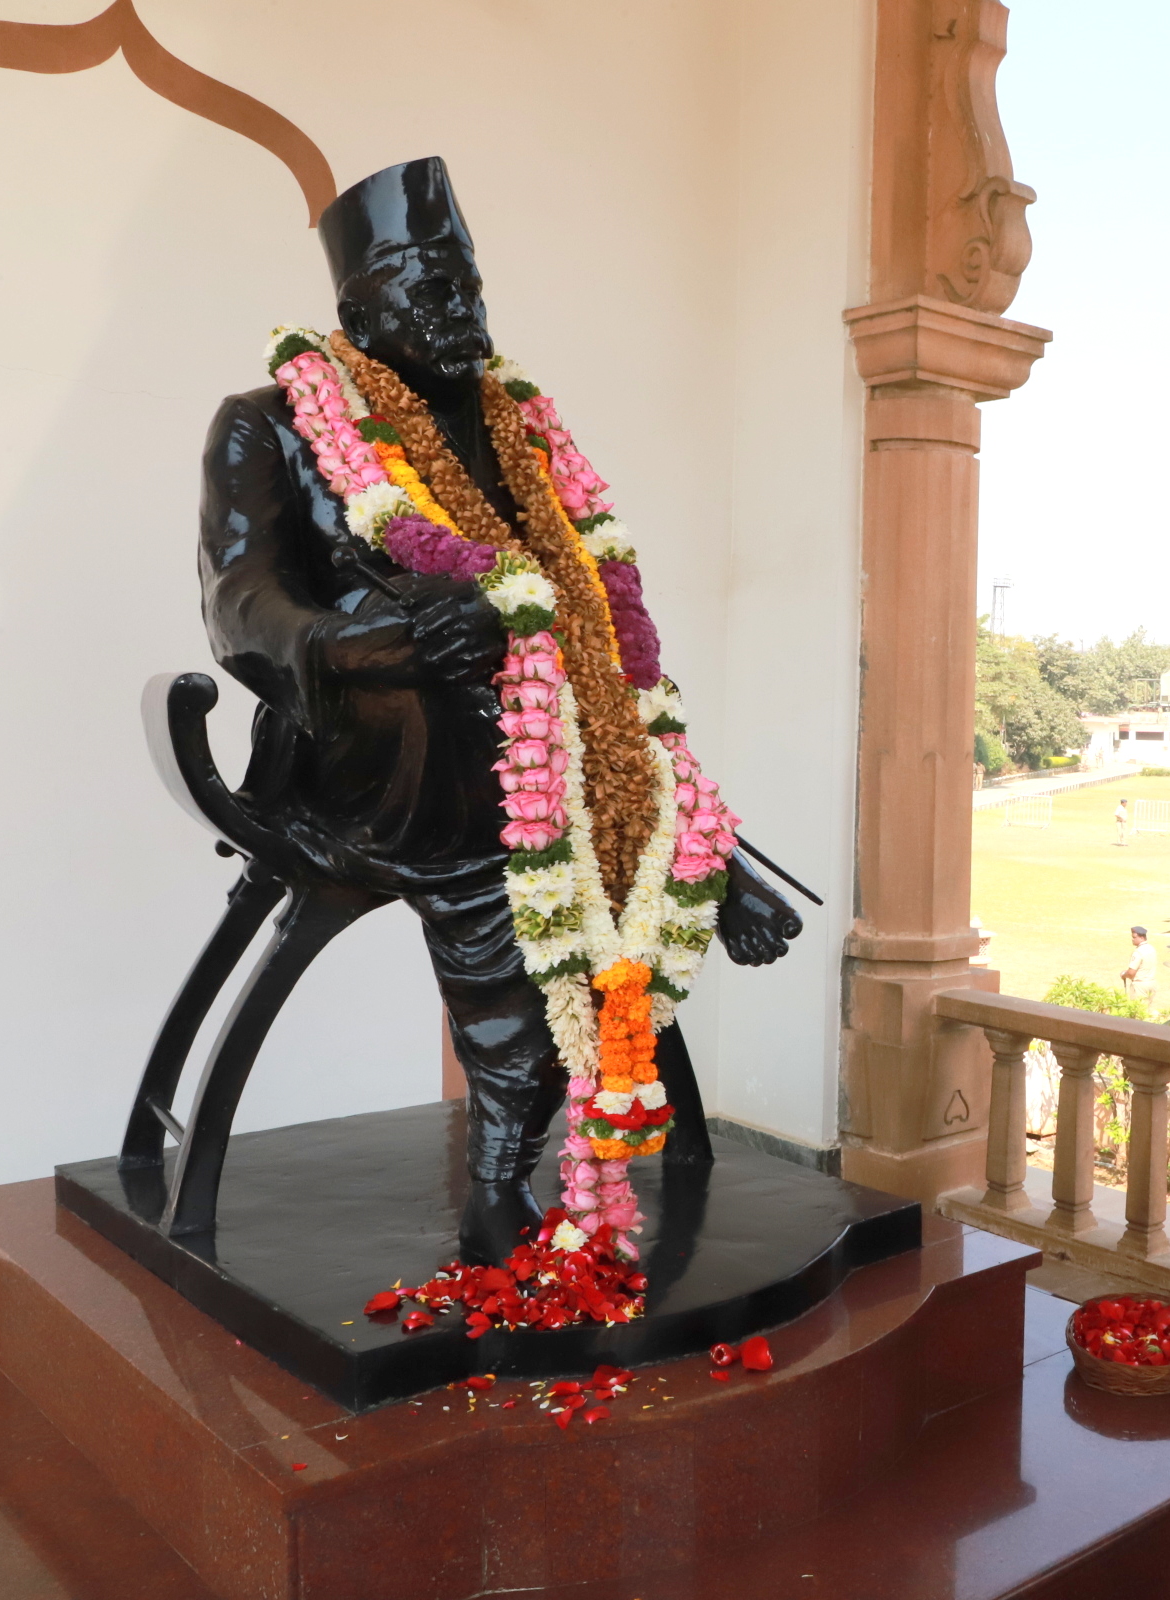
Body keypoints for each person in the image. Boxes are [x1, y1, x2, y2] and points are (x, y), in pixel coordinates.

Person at [198, 158, 802, 1262]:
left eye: (467, 282)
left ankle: (701, 848)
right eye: (429, 286)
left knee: (595, 709)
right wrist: (360, 642)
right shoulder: (269, 423)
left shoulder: (518, 432)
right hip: (373, 748)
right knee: (499, 781)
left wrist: (515, 640)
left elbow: (594, 625)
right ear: (358, 310)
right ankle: (499, 1173)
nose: (461, 308)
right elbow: (239, 603)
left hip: (537, 736)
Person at [1120, 925, 1157, 1003]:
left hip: (1140, 986)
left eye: (1134, 937)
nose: (1132, 939)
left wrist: (1124, 974)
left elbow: (1131, 973)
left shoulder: (1138, 952)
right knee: (1148, 1010)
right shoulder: (1151, 949)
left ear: (1141, 938)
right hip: (1151, 983)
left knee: (1137, 1011)